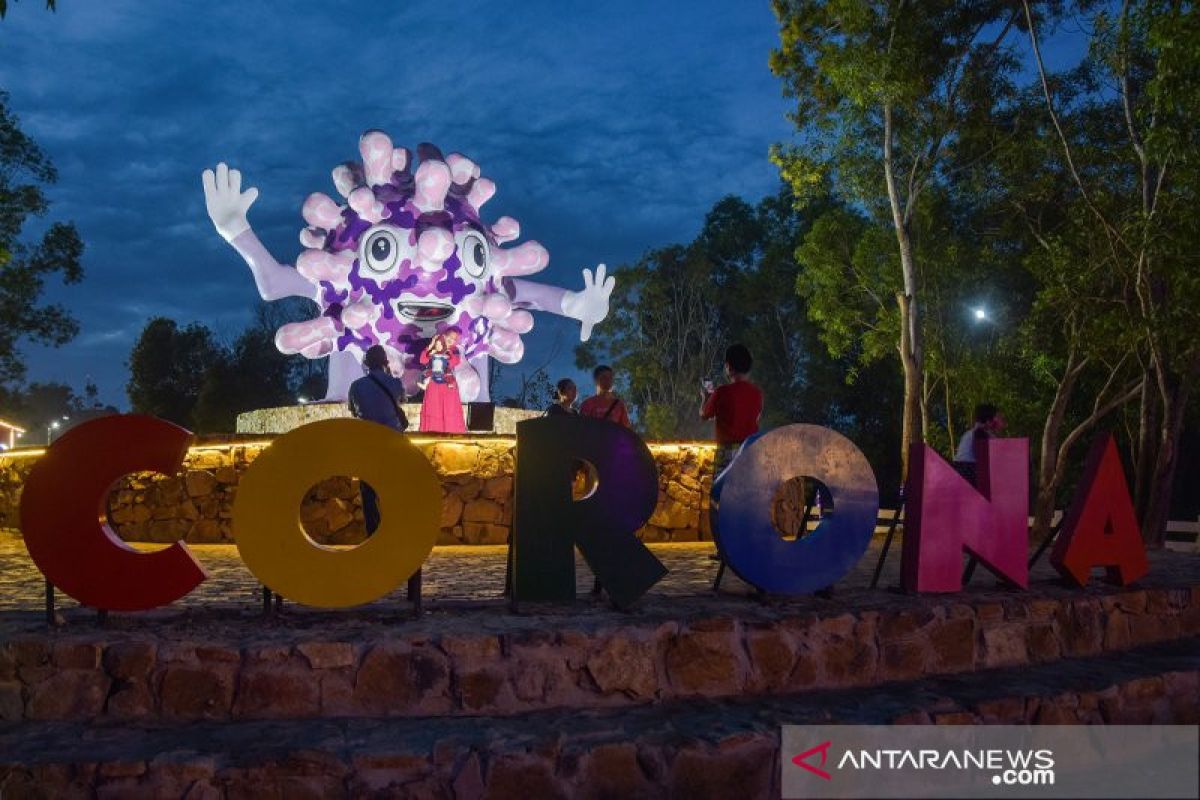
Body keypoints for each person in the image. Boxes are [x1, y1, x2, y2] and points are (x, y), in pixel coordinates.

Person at [347, 344, 408, 535]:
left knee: (368, 489)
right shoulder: (395, 383)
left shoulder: (356, 386)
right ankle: (396, 528)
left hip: (369, 442)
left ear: (366, 363)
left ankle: (373, 532)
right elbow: (402, 400)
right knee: (395, 487)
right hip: (393, 441)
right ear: (385, 362)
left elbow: (354, 412)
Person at [700, 344, 764, 476]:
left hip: (727, 453)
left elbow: (704, 415)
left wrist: (705, 399)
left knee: (722, 494)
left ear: (728, 366)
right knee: (745, 494)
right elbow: (756, 418)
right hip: (749, 452)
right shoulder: (757, 394)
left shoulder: (721, 392)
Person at [418, 327, 467, 433]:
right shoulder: (434, 347)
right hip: (434, 385)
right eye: (450, 338)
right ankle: (431, 435)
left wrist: (447, 352)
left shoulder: (454, 351)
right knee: (434, 409)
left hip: (448, 385)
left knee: (450, 411)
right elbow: (422, 360)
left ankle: (450, 435)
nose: (452, 341)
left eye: (455, 339)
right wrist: (431, 346)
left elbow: (455, 362)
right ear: (444, 336)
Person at [953, 403, 1007, 485]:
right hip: (968, 469)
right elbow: (984, 456)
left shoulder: (970, 433)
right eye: (996, 417)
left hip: (961, 468)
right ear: (989, 421)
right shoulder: (980, 432)